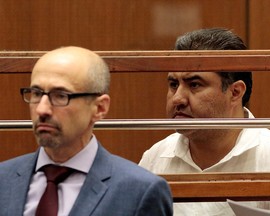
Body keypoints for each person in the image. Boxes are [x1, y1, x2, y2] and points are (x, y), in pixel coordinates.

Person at [0, 46, 173, 216]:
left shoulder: (140, 192)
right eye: (36, 94)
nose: (42, 110)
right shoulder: (3, 179)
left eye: (61, 95)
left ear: (99, 108)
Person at [139, 28, 270, 215]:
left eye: (194, 84)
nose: (177, 98)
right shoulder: (154, 158)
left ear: (235, 92)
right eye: (173, 84)